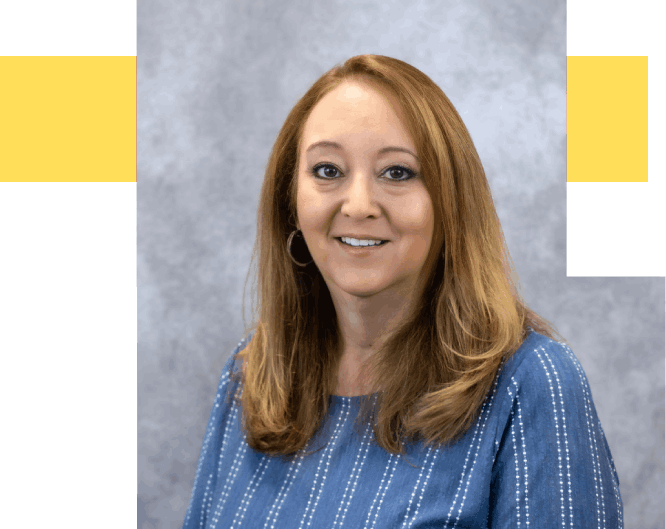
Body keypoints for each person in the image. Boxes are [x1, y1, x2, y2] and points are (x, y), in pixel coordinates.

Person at [182, 55, 623, 528]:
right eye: (328, 170)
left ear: (451, 202)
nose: (358, 205)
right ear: (290, 200)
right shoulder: (251, 374)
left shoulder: (533, 383)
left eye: (397, 173)